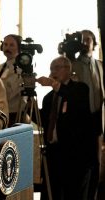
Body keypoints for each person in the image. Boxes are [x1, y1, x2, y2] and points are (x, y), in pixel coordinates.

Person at [37, 56, 96, 200]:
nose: (53, 72)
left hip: (74, 154)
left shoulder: (80, 89)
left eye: (57, 68)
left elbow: (77, 105)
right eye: (51, 69)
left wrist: (54, 85)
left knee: (73, 193)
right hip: (53, 153)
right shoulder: (49, 98)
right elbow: (44, 121)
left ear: (69, 70)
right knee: (53, 193)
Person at [72, 29, 104, 199]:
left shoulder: (100, 65)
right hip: (79, 122)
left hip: (97, 120)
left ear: (94, 42)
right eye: (81, 40)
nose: (84, 43)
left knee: (96, 163)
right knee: (80, 165)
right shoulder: (71, 64)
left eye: (88, 40)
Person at [0, 34, 27, 127]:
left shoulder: (22, 67)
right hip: (2, 112)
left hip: (15, 114)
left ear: (19, 47)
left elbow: (12, 92)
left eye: (11, 45)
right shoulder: (1, 66)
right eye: (5, 44)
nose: (7, 48)